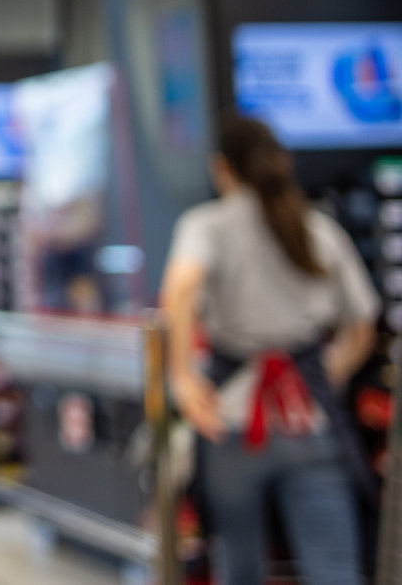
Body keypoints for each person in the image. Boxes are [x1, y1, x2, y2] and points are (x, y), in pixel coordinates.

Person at [159, 116, 378, 585]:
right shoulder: (316, 227)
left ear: (222, 170)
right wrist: (329, 373)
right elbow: (363, 324)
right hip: (308, 418)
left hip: (231, 420)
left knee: (240, 569)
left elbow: (179, 289)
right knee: (335, 569)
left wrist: (181, 376)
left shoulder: (207, 224)